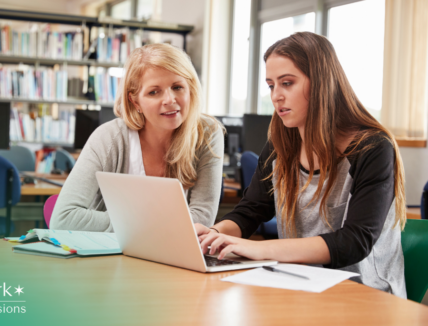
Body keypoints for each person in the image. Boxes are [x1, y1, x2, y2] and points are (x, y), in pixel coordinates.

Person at [196, 32, 407, 298]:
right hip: (300, 285)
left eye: (287, 83)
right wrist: (212, 235)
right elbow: (250, 212)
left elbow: (354, 243)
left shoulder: (372, 148)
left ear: (321, 83)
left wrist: (257, 249)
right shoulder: (280, 146)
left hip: (365, 296)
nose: (276, 96)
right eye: (271, 85)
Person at [50, 43, 224, 231]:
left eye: (177, 87)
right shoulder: (109, 138)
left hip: (170, 256)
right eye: (153, 92)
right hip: (110, 254)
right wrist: (149, 223)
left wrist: (132, 222)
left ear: (190, 89)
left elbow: (202, 219)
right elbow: (63, 219)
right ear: (135, 101)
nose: (170, 100)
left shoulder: (207, 133)